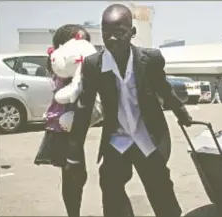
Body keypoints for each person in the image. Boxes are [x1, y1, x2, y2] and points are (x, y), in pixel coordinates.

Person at [65, 4, 193, 217]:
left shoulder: (150, 59)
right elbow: (84, 106)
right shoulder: (93, 64)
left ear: (132, 33)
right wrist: (74, 151)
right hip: (118, 140)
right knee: (111, 190)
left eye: (120, 33)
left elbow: (164, 88)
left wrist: (181, 111)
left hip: (148, 138)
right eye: (107, 34)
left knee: (161, 192)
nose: (112, 39)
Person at [33, 24, 93, 217]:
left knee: (75, 174)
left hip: (70, 125)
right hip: (63, 127)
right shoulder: (63, 67)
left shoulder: (75, 66)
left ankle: (73, 212)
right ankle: (73, 213)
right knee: (74, 174)